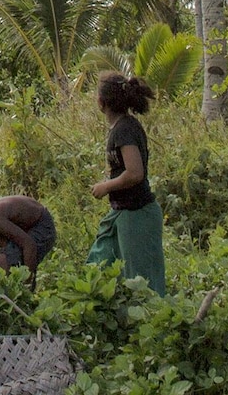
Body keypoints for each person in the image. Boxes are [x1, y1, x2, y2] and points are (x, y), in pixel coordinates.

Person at [86, 73, 165, 294]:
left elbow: (134, 173)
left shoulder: (125, 130)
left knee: (143, 283)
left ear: (102, 102)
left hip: (137, 214)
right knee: (98, 267)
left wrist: (106, 186)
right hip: (121, 213)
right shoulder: (121, 128)